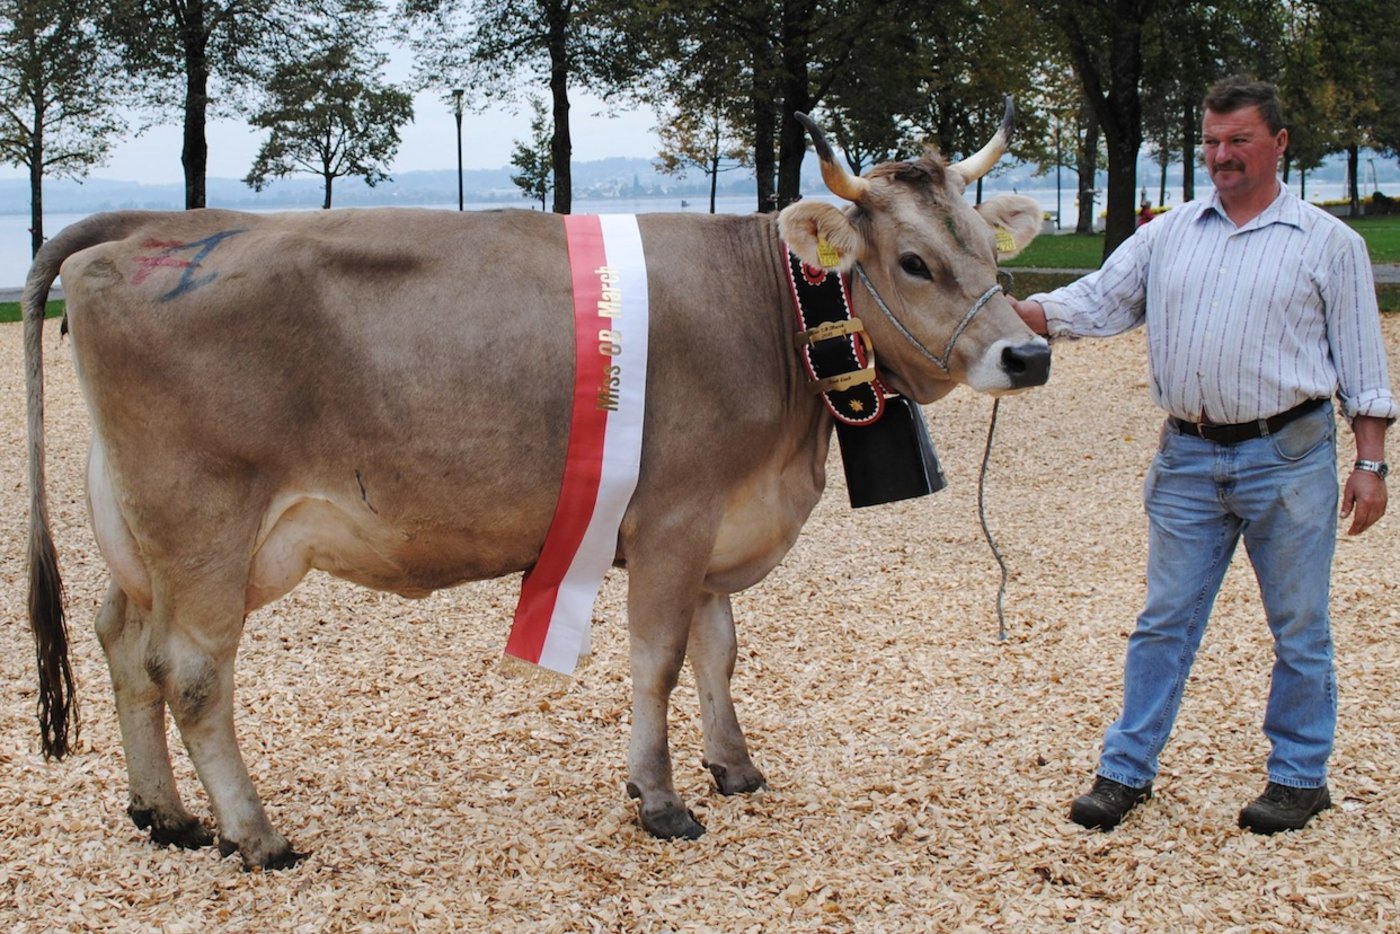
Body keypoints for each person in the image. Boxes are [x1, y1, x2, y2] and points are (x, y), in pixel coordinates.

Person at [1010, 75, 1396, 835]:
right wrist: (1005, 311)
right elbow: (1095, 301)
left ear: (1279, 144)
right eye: (1212, 142)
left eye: (1238, 141)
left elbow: (1363, 368)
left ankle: (1298, 776)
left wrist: (1372, 465)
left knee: (1299, 626)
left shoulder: (1330, 244)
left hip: (1290, 457)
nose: (1222, 156)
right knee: (1164, 621)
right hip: (1187, 458)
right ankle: (1125, 772)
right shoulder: (1169, 233)